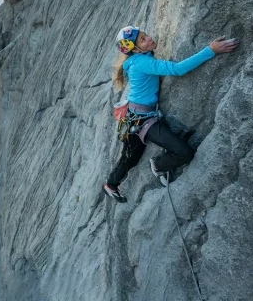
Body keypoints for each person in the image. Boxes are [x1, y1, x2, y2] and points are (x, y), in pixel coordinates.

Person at [102, 26, 239, 202]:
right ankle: (157, 166)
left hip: (136, 117)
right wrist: (210, 51)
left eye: (146, 35)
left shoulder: (140, 58)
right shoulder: (141, 62)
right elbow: (178, 69)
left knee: (130, 157)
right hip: (142, 121)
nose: (150, 38)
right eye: (143, 40)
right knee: (184, 153)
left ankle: (111, 184)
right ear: (136, 49)